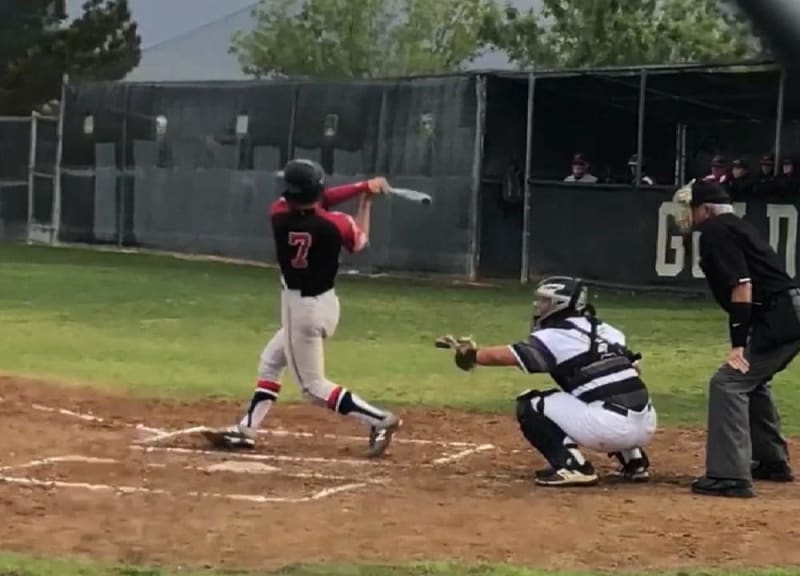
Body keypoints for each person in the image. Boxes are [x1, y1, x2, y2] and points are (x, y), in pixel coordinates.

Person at [201, 159, 402, 457]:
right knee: (271, 359)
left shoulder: (278, 215)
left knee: (312, 387)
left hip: (301, 311)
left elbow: (319, 198)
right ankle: (246, 429)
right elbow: (359, 240)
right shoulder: (337, 224)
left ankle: (379, 420)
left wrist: (362, 186)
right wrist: (365, 199)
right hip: (324, 304)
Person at [434, 276, 656, 487]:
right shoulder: (608, 331)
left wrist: (473, 354)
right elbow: (634, 365)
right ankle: (634, 461)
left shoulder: (555, 335)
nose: (539, 305)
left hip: (608, 429)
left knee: (531, 404)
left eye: (545, 300)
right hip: (647, 424)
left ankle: (572, 467)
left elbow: (508, 356)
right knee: (599, 391)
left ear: (560, 303)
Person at [673, 180, 800, 498]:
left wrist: (738, 345)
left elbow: (742, 286)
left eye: (690, 208)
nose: (686, 215)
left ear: (704, 209)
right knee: (751, 381)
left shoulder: (716, 231)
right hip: (786, 311)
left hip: (782, 315)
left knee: (728, 383)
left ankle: (730, 476)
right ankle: (771, 462)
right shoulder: (734, 226)